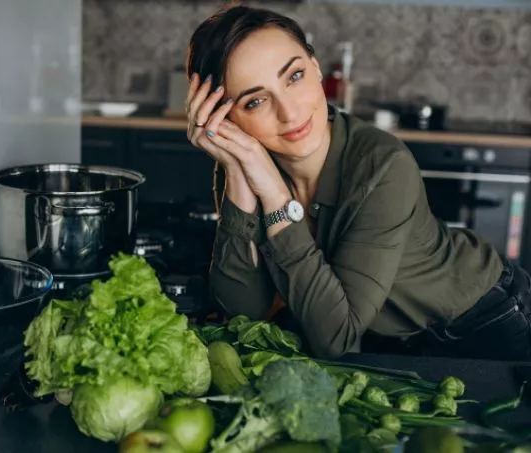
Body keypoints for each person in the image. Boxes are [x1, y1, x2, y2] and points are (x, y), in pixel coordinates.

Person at [184, 4, 531, 361]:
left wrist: (274, 194)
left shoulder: (381, 164)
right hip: (390, 344)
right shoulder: (248, 161)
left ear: (316, 66)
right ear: (223, 117)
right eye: (255, 101)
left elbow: (336, 339)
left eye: (294, 76)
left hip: (482, 321)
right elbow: (244, 312)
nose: (289, 113)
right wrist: (239, 174)